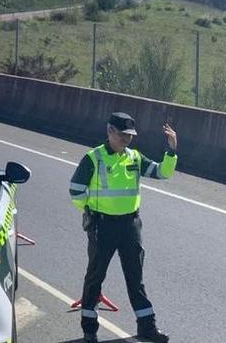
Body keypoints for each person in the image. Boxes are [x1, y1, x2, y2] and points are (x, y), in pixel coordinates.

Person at [69, 112, 177, 343]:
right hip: (103, 226)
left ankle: (147, 328)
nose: (127, 139)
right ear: (110, 131)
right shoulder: (93, 158)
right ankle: (89, 331)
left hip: (130, 225)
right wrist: (90, 212)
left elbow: (163, 172)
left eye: (130, 136)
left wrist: (171, 151)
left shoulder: (134, 157)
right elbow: (76, 190)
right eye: (122, 135)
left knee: (135, 278)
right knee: (95, 278)